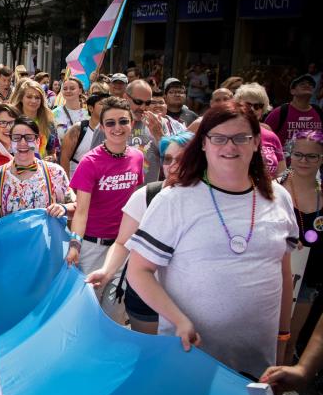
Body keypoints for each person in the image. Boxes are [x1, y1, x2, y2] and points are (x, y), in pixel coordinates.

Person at [126, 101, 299, 378]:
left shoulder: (279, 198)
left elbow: (284, 272)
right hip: (188, 358)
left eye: (241, 138)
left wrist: (283, 337)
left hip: (258, 367)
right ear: (204, 144)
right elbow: (138, 271)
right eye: (218, 138)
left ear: (256, 142)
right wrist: (180, 320)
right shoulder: (174, 199)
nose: (230, 147)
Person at [86, 131, 193, 334]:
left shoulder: (210, 200)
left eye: (182, 159)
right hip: (146, 300)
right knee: (151, 355)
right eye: (168, 159)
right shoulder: (146, 196)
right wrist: (107, 271)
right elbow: (121, 243)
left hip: (193, 300)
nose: (173, 166)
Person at [66, 97, 145, 313]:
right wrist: (75, 245)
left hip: (124, 248)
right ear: (102, 127)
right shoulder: (89, 162)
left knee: (114, 314)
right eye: (110, 123)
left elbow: (135, 204)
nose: (117, 128)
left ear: (132, 124)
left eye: (122, 121)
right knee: (84, 312)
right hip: (92, 249)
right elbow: (81, 212)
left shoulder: (137, 158)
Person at [277, 130, 323, 364]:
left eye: (312, 156)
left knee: (289, 340)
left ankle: (278, 392)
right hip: (273, 275)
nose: (304, 161)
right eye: (299, 154)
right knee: (268, 338)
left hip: (308, 281)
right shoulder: (273, 189)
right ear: (290, 156)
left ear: (321, 158)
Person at [0, 118, 75, 219]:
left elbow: (75, 207)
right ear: (10, 143)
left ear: (38, 142)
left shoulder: (55, 172)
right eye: (16, 138)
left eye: (29, 137)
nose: (23, 142)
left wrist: (63, 208)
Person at [234, 83, 286, 177]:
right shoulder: (227, 133)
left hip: (269, 190)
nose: (253, 109)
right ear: (237, 106)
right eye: (247, 105)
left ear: (263, 109)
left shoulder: (272, 137)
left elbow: (282, 174)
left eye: (258, 106)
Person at [264, 74, 322, 149]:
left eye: (310, 84)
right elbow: (264, 139)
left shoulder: (318, 112)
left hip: (314, 159)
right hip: (285, 160)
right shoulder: (280, 112)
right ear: (292, 91)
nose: (307, 85)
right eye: (302, 84)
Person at [60, 91, 107, 178]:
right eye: (102, 104)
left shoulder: (111, 130)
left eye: (108, 104)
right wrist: (67, 185)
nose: (107, 107)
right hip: (77, 179)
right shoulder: (78, 129)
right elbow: (65, 158)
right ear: (91, 108)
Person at [12, 80, 58, 159]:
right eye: (29, 97)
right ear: (21, 99)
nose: (33, 101)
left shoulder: (48, 122)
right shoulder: (12, 121)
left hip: (40, 169)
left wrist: (51, 158)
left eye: (37, 98)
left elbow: (52, 151)